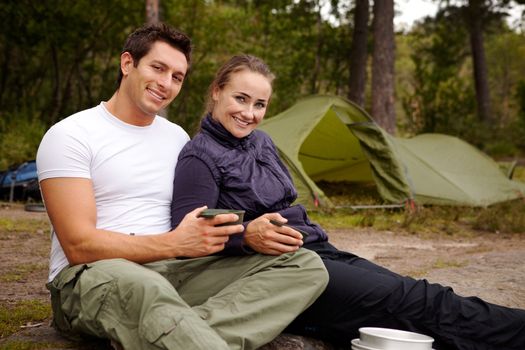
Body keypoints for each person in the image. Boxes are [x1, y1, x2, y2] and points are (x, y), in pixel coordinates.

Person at [171, 54, 525, 350]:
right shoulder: (200, 156)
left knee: (421, 295)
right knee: (415, 304)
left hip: (318, 249)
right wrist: (246, 233)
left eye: (259, 104)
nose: (249, 113)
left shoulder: (261, 142)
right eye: (241, 99)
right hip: (278, 273)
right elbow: (189, 238)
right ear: (217, 92)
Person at [36, 24, 328, 350]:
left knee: (304, 266)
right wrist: (174, 243)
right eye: (158, 68)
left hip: (175, 270)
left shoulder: (176, 137)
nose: (166, 83)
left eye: (177, 77)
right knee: (147, 290)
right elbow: (79, 245)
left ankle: (168, 333)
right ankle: (171, 331)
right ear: (127, 64)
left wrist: (243, 232)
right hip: (95, 274)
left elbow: (198, 216)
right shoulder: (71, 135)